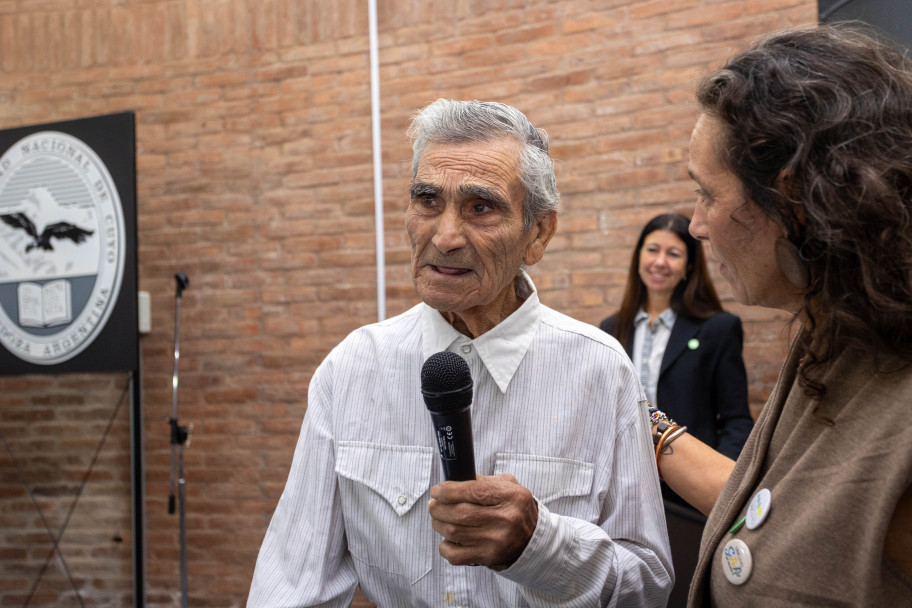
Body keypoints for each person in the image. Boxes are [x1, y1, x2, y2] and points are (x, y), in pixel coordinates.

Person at [247, 99, 673, 607]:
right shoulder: (353, 370)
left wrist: (540, 545)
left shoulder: (600, 371)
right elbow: (293, 584)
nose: (445, 237)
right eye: (427, 200)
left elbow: (647, 586)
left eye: (481, 207)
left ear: (537, 234)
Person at [648, 25, 912, 606]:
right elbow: (769, 512)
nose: (696, 225)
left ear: (791, 201)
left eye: (709, 195)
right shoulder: (831, 335)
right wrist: (643, 420)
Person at [598, 212, 752, 607]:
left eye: (674, 253)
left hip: (689, 501)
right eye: (652, 250)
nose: (660, 261)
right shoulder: (609, 331)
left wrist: (723, 487)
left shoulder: (718, 328)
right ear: (638, 257)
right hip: (624, 493)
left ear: (689, 266)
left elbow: (735, 418)